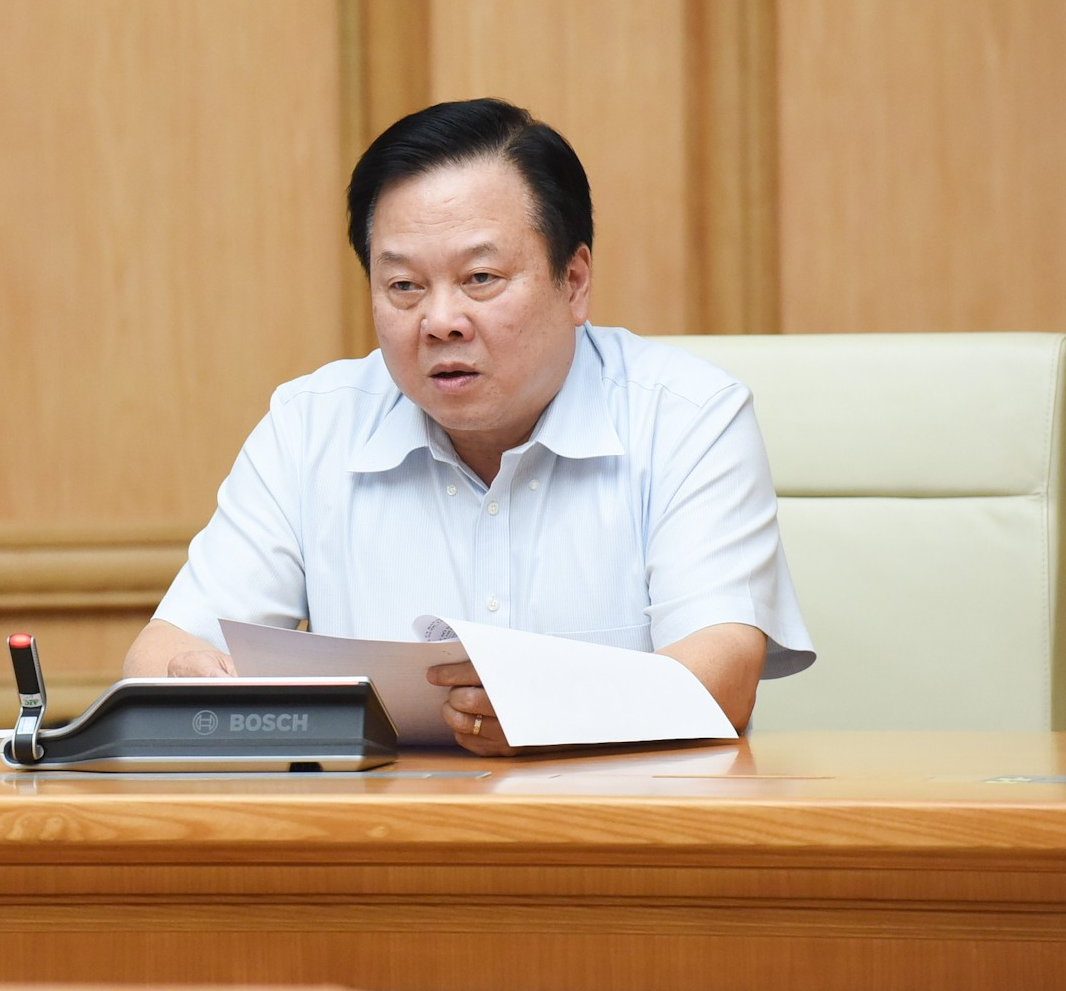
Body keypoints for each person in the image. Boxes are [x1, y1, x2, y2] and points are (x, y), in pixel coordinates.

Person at [124, 98, 813, 754]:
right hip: (381, 846)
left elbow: (722, 678)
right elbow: (159, 654)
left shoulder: (689, 419)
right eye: (404, 287)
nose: (440, 320)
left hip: (621, 841)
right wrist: (193, 681)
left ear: (573, 282)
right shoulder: (310, 427)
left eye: (480, 278)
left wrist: (552, 712)